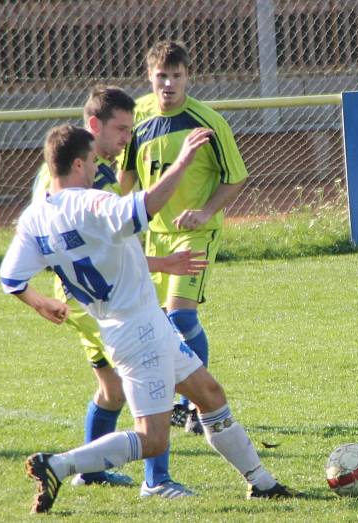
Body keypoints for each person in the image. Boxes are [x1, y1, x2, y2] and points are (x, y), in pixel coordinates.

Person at [1, 125, 300, 514]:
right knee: (153, 439)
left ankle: (262, 483)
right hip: (138, 330)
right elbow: (144, 207)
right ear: (77, 163)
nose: (97, 167)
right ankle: (58, 464)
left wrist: (39, 301)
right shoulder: (89, 203)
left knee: (210, 395)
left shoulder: (34, 218)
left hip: (130, 325)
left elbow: (12, 278)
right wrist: (182, 163)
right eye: (92, 160)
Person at [32, 86, 208, 497]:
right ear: (94, 126)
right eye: (121, 130)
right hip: (98, 300)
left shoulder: (55, 167)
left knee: (111, 391)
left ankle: (89, 473)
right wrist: (163, 264)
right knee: (154, 374)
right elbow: (108, 249)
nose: (127, 139)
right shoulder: (94, 178)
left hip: (76, 294)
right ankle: (157, 480)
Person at [119, 41, 247, 434]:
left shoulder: (206, 122)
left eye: (177, 76)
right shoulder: (137, 117)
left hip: (196, 234)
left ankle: (196, 405)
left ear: (189, 76)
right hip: (154, 239)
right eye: (162, 76)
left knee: (180, 315)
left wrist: (207, 211)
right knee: (157, 323)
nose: (169, 83)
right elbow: (126, 179)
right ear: (150, 77)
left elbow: (236, 177)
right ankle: (180, 401)